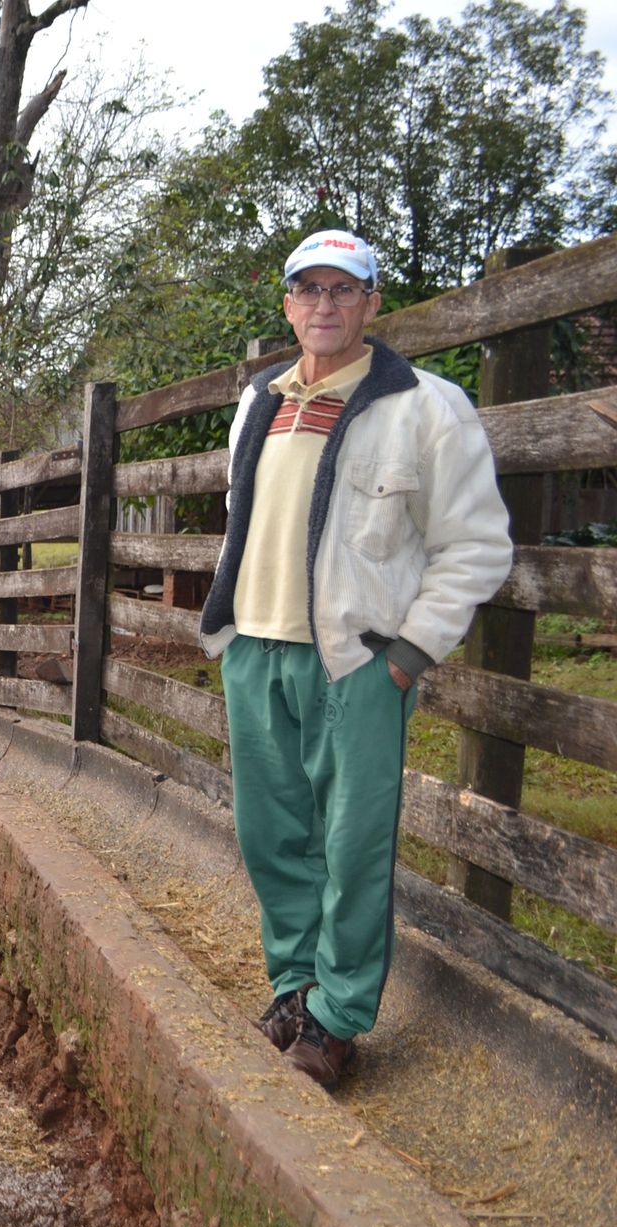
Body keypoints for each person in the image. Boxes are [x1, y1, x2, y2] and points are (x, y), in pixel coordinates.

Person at [198, 228, 513, 1089]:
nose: (325, 306)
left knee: (353, 846)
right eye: (309, 290)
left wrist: (408, 655)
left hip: (356, 664)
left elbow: (477, 545)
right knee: (273, 839)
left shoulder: (423, 406)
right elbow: (244, 511)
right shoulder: (260, 400)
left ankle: (337, 1021)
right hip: (256, 648)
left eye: (345, 290)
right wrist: (231, 630)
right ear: (289, 303)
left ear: (374, 304)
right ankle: (295, 988)